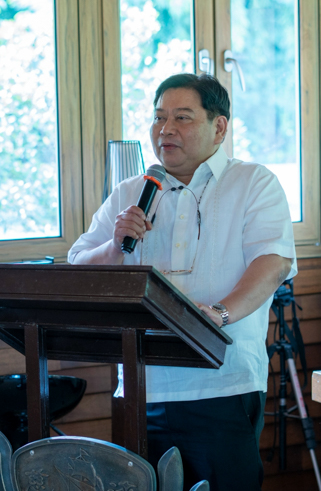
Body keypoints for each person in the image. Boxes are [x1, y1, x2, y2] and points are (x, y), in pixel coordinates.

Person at [68, 73, 296, 490]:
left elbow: (273, 262)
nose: (165, 129)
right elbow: (79, 267)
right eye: (158, 118)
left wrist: (220, 313)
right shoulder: (132, 191)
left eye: (182, 118)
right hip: (141, 388)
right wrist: (116, 245)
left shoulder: (253, 183)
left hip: (222, 384)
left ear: (219, 127)